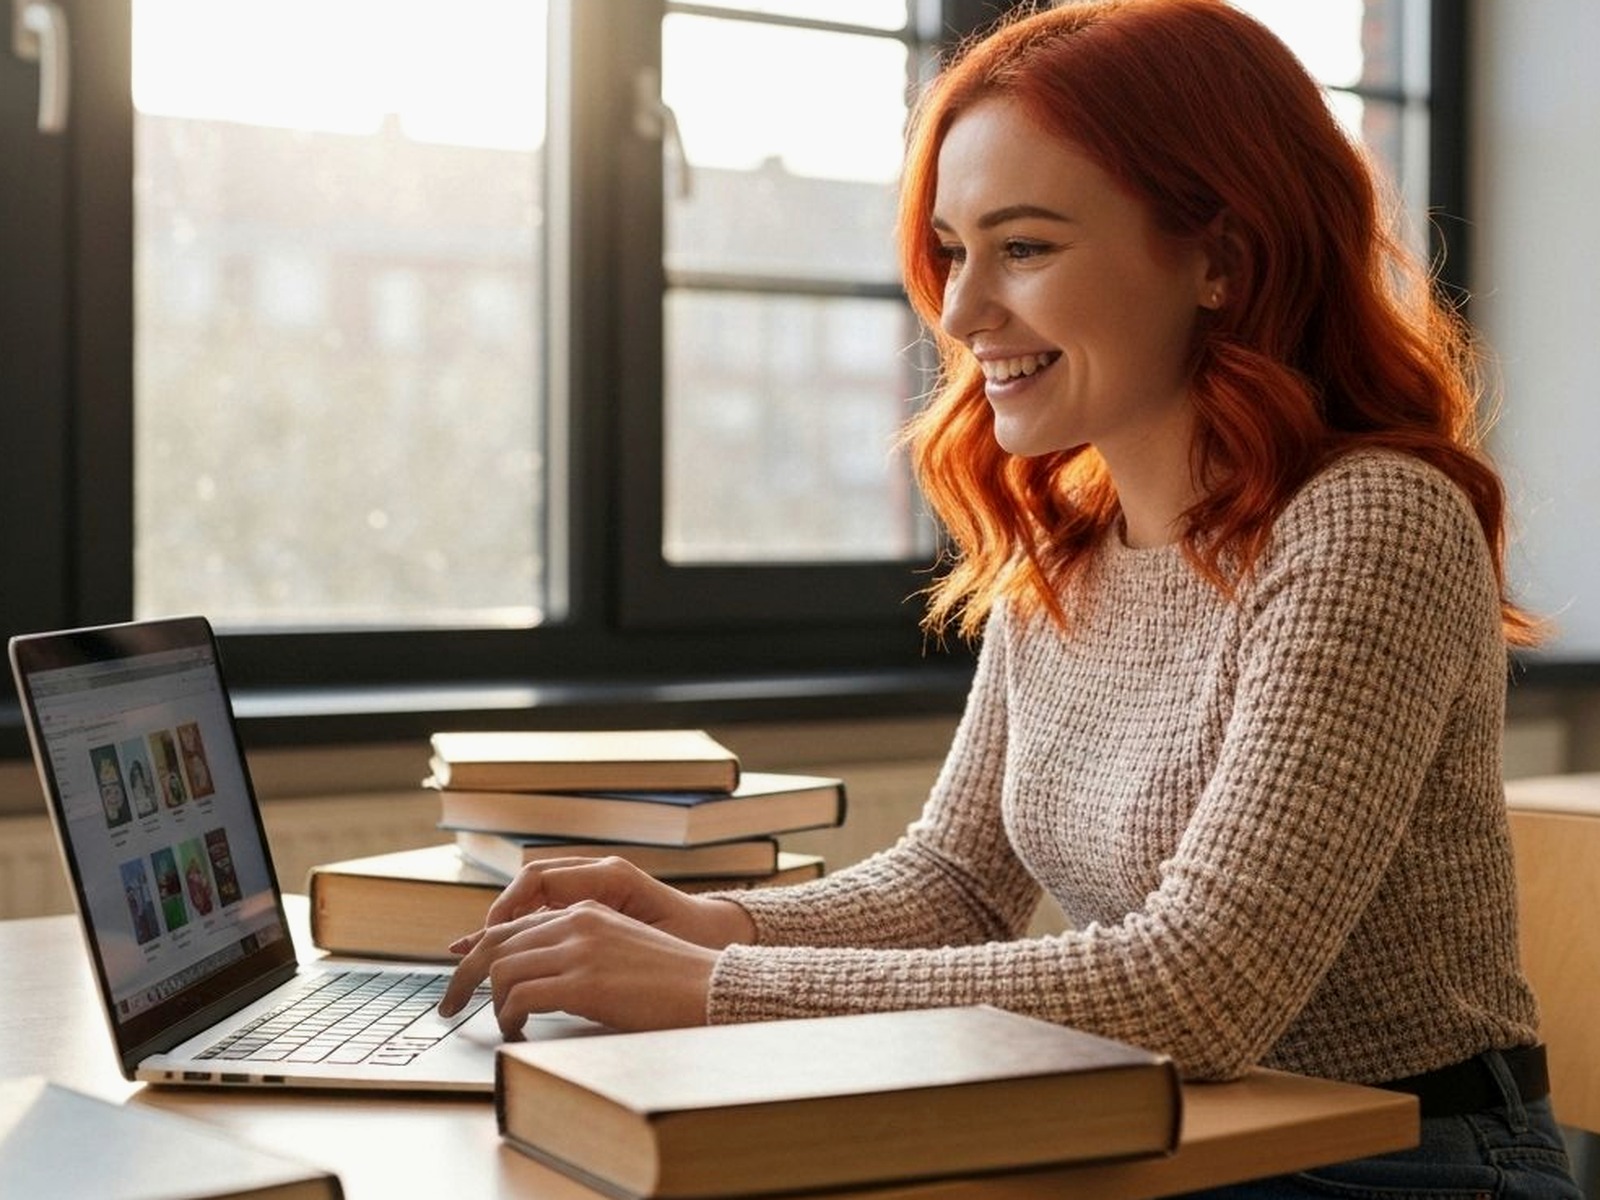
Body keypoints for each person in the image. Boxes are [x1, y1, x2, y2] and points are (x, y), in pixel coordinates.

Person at [441, 2, 1581, 1194]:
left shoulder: (1368, 521)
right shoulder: (1071, 540)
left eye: (1023, 247)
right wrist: (700, 923)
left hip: (1401, 1162)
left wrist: (711, 992)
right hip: (1173, 1140)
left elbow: (1200, 988)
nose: (959, 309)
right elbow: (954, 883)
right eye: (952, 249)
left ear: (1220, 258)